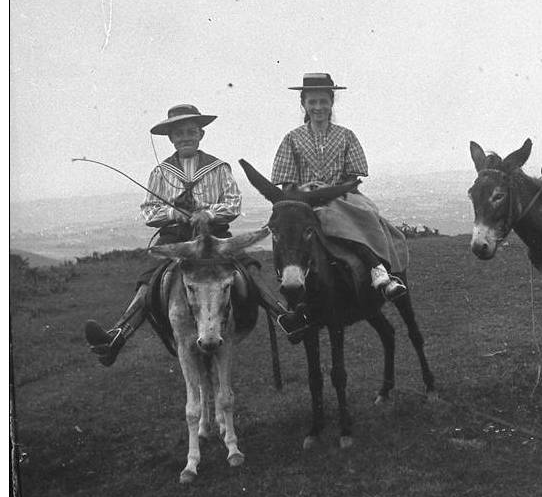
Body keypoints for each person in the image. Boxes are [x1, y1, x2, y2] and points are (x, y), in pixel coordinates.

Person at [84, 104, 286, 366]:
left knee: (249, 269)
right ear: (171, 138)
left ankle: (284, 317)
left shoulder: (218, 167)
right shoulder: (160, 172)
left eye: (191, 131)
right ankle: (117, 336)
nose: (185, 137)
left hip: (214, 236)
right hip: (175, 238)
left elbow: (233, 203)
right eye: (179, 133)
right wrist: (172, 214)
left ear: (201, 134)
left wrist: (209, 214)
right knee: (149, 281)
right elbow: (149, 212)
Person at [270, 73, 409, 332]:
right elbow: (286, 181)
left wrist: (331, 190)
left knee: (367, 214)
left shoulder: (346, 136)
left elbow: (352, 174)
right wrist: (305, 193)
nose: (318, 107)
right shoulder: (292, 138)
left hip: (340, 196)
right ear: (304, 104)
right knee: (288, 232)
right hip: (304, 200)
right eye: (312, 102)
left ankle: (378, 269)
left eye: (323, 101)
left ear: (331, 102)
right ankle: (293, 303)